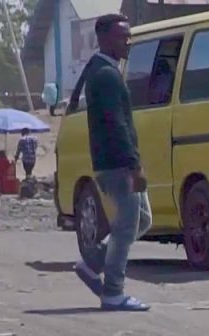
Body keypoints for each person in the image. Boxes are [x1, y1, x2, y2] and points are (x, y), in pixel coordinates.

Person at [72, 13, 150, 312]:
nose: (128, 42)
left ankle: (92, 263)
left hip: (119, 161)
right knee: (127, 224)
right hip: (117, 164)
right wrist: (134, 166)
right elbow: (116, 125)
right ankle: (113, 292)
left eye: (129, 36)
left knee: (142, 220)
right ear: (103, 39)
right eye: (121, 36)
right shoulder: (105, 74)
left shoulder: (104, 70)